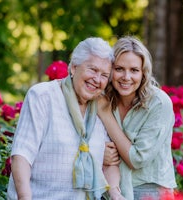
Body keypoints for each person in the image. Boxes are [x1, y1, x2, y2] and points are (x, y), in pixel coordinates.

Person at [7, 37, 124, 200]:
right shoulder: (43, 96)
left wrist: (116, 194)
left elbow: (110, 163)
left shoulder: (100, 108)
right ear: (74, 68)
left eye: (104, 75)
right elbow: (22, 155)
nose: (97, 80)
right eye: (92, 70)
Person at [98, 36, 177, 200]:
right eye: (119, 68)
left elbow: (137, 159)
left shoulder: (159, 104)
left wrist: (106, 115)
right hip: (107, 190)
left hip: (149, 191)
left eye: (134, 70)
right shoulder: (102, 98)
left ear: (143, 73)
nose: (126, 77)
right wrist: (98, 152)